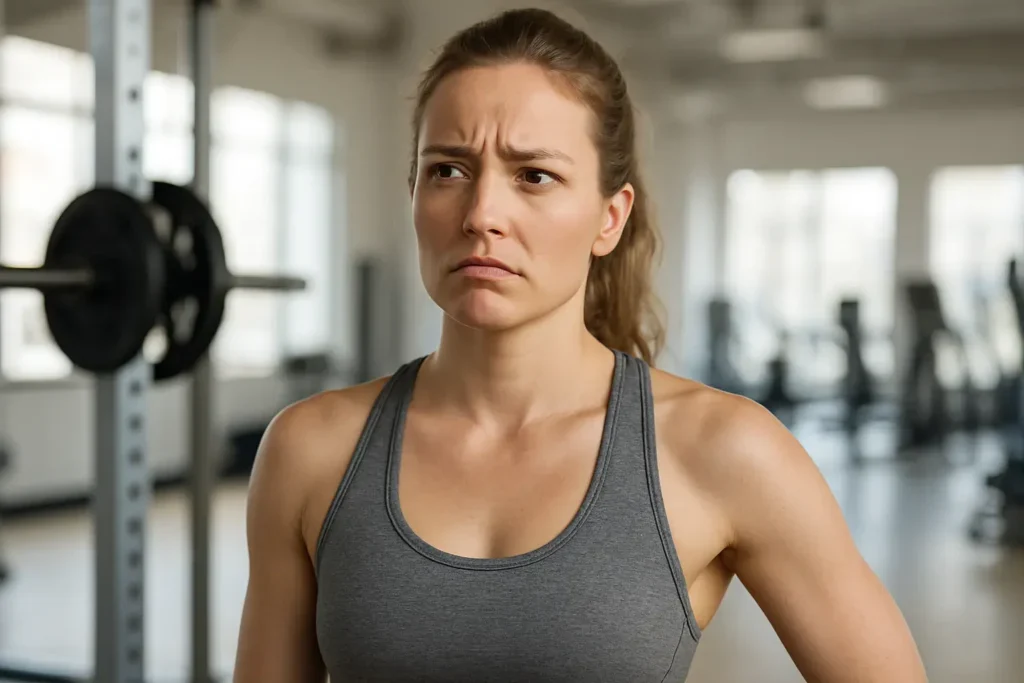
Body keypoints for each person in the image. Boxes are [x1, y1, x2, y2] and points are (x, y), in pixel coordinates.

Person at [233, 8, 927, 683]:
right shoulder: (310, 451)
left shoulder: (723, 451)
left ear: (609, 217)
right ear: (413, 189)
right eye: (448, 169)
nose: (482, 216)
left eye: (533, 175)